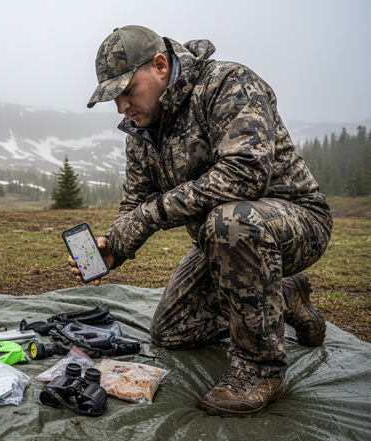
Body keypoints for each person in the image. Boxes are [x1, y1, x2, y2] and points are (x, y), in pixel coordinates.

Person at [69, 25, 332, 418]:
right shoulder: (141, 130)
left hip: (293, 221)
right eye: (114, 98)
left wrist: (148, 217)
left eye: (126, 91)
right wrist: (114, 247)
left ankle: (260, 369)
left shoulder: (229, 83)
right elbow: (136, 203)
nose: (121, 107)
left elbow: (245, 173)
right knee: (171, 331)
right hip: (223, 242)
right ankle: (282, 292)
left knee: (231, 221)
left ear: (159, 65)